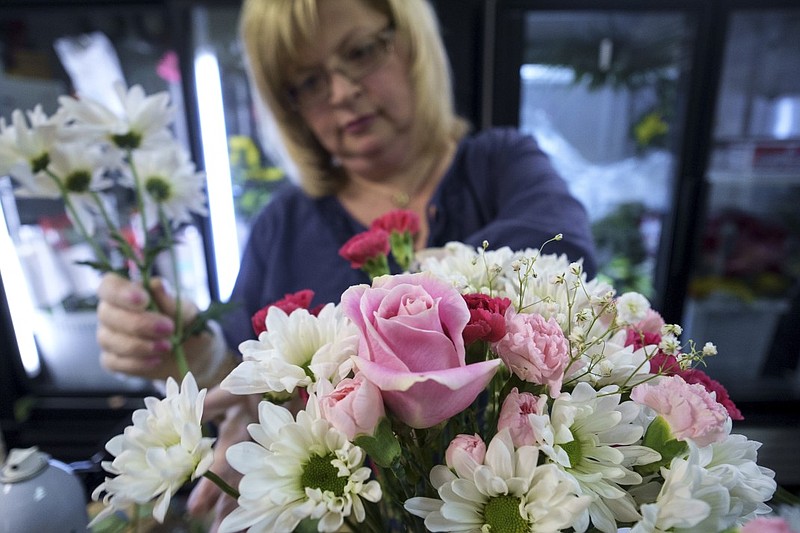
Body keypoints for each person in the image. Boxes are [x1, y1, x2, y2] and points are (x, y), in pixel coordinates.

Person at [95, 0, 598, 528]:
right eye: (308, 83)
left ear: (411, 42)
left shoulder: (501, 162)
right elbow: (242, 381)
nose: (340, 92)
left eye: (359, 53)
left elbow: (561, 252)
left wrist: (317, 372)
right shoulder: (282, 224)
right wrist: (201, 352)